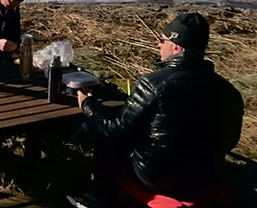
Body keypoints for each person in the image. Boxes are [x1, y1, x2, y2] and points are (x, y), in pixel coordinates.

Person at [77, 13, 244, 205]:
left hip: (158, 178)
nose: (158, 45)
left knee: (108, 142)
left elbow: (115, 129)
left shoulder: (153, 84)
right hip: (208, 177)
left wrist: (87, 104)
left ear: (176, 46)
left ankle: (100, 197)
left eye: (162, 40)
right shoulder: (229, 91)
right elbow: (231, 141)